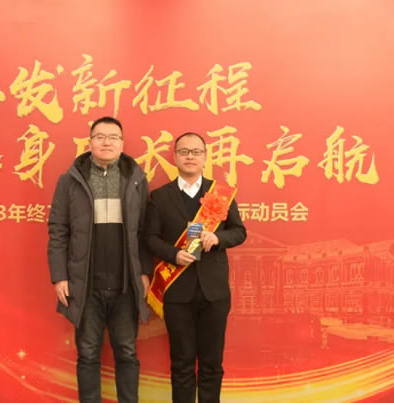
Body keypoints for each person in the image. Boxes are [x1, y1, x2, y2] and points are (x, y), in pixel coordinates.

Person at [47, 116, 151, 403]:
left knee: (127, 352)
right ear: (90, 142)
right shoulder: (70, 181)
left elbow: (145, 232)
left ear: (122, 143)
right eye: (100, 137)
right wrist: (59, 275)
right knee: (88, 353)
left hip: (125, 285)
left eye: (113, 137)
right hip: (85, 285)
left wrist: (144, 272)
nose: (107, 142)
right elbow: (58, 230)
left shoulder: (136, 180)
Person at [144, 132, 246, 403]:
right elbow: (150, 238)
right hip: (178, 292)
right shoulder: (160, 197)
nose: (190, 157)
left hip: (214, 293)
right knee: (182, 364)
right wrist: (173, 254)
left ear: (205, 157)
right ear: (175, 156)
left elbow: (239, 232)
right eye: (184, 151)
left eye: (196, 152)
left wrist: (218, 238)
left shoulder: (220, 194)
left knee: (212, 364)